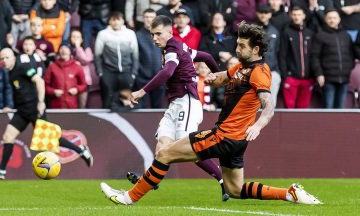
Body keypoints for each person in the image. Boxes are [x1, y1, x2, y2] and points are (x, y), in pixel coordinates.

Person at [100, 21, 322, 206]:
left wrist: (258, 125)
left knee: (164, 154)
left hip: (224, 136)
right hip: (236, 141)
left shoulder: (260, 73)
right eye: (237, 44)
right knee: (235, 189)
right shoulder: (240, 68)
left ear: (255, 49)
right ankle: (289, 193)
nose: (237, 49)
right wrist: (208, 74)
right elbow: (220, 78)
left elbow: (268, 105)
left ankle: (129, 197)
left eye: (242, 46)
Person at [121, 15, 229, 201]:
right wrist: (217, 72)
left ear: (170, 32)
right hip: (175, 104)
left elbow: (168, 72)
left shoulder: (172, 48)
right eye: (152, 34)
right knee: (162, 146)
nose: (154, 38)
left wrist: (142, 91)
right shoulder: (181, 47)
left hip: (187, 101)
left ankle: (223, 179)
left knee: (187, 148)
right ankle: (151, 180)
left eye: (158, 34)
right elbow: (207, 56)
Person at [0, 48, 93, 180]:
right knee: (8, 136)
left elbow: (39, 81)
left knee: (50, 140)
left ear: (13, 57)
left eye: (7, 57)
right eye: (2, 58)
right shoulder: (8, 72)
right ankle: (1, 171)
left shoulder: (22, 67)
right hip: (22, 111)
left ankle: (81, 150)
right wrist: (9, 106)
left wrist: (41, 102)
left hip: (35, 109)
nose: (4, 61)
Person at [311, 9, 355, 108]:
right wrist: (319, 74)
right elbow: (315, 57)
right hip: (328, 79)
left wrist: (349, 68)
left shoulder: (346, 36)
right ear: (325, 19)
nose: (332, 20)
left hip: (344, 78)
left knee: (341, 109)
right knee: (328, 109)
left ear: (339, 19)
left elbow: (351, 54)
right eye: (329, 18)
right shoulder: (320, 36)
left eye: (334, 18)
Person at [94, 12, 138, 110]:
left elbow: (135, 55)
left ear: (123, 21)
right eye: (113, 19)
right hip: (108, 72)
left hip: (126, 72)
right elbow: (97, 55)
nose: (116, 22)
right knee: (107, 101)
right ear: (109, 21)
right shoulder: (103, 34)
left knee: (126, 102)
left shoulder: (130, 34)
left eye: (118, 19)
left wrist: (133, 73)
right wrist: (101, 73)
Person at [279, 6, 315, 108]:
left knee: (303, 109)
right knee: (289, 108)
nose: (296, 17)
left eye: (299, 15)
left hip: (308, 79)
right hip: (291, 78)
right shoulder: (286, 32)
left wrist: (313, 75)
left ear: (303, 16)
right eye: (294, 15)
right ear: (290, 16)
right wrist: (285, 76)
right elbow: (282, 55)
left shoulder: (310, 33)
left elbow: (313, 55)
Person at [134, 9, 165, 108]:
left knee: (158, 109)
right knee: (141, 110)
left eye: (151, 17)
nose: (149, 19)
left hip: (158, 77)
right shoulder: (137, 35)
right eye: (146, 17)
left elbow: (165, 53)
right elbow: (135, 56)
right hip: (142, 78)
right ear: (143, 19)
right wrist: (138, 73)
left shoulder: (162, 35)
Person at [44, 43, 87, 109]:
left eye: (66, 49)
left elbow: (84, 85)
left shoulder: (77, 67)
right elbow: (45, 86)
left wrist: (77, 89)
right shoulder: (52, 67)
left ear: (70, 52)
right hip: (56, 106)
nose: (63, 51)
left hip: (72, 106)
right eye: (61, 49)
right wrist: (53, 91)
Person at [255, 4, 281, 107]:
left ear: (270, 15)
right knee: (255, 103)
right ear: (257, 14)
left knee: (270, 103)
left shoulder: (275, 31)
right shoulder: (251, 30)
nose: (263, 15)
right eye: (261, 12)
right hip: (255, 70)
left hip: (272, 70)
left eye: (266, 13)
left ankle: (270, 122)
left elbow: (278, 51)